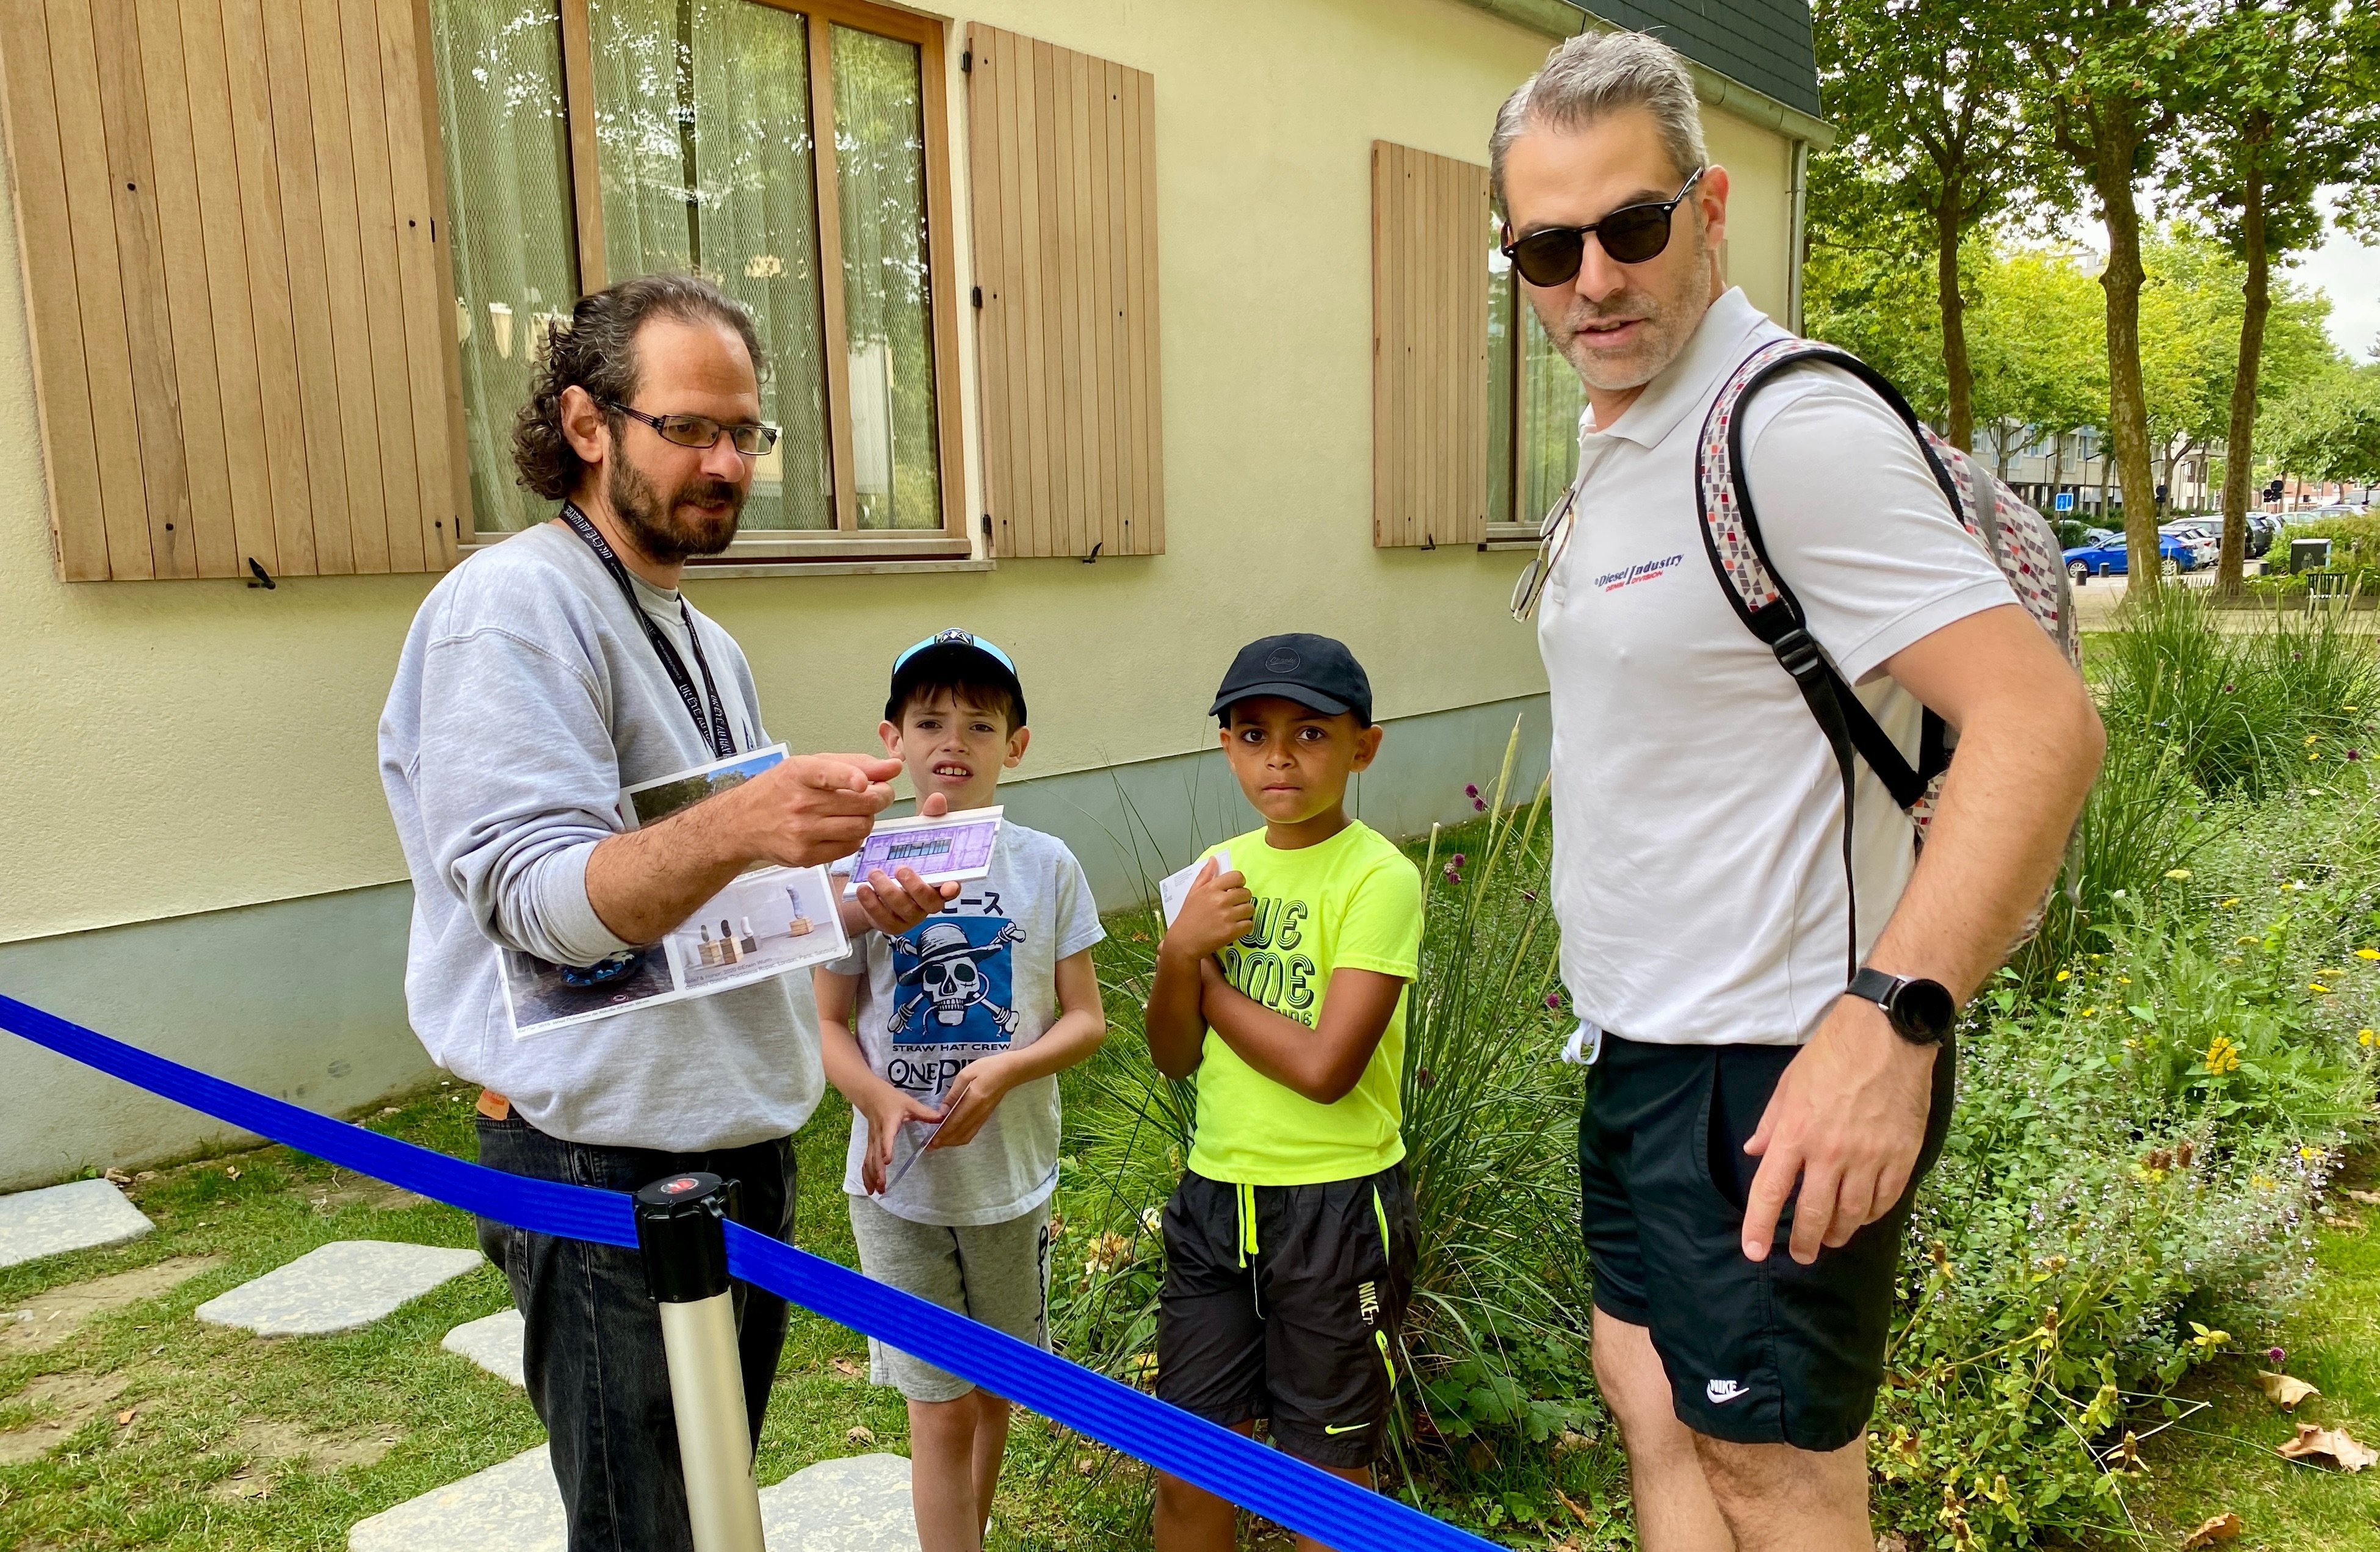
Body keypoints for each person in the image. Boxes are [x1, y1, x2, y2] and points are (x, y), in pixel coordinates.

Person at [1492, 32, 2106, 1552]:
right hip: (1647, 1042)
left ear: (1708, 212)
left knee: (1774, 1473)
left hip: (1780, 1058)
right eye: (1547, 248)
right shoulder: (1629, 432)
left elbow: (2040, 727)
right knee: (1646, 1392)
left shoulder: (1788, 428)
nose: (1594, 279)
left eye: (1631, 228)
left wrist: (1891, 1029)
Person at [378, 273, 954, 1552]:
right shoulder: (511, 610)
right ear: (588, 425)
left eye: (744, 433)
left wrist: (853, 898)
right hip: (607, 1172)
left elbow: (709, 908)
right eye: (688, 428)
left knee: (710, 1517)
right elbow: (538, 903)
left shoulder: (702, 634)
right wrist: (746, 822)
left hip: (731, 1151)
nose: (724, 463)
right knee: (650, 1536)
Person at [813, 629, 1109, 1552]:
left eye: (981, 723)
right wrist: (876, 1099)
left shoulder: (1048, 865)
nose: (954, 739)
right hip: (896, 1190)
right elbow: (826, 1025)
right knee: (936, 1410)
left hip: (1010, 1185)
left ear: (1015, 745)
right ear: (890, 737)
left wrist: (1011, 1065)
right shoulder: (861, 871)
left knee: (993, 1391)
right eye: (930, 718)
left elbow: (1085, 1019)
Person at [1143, 634, 1425, 1552]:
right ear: (1226, 745)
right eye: (1253, 733)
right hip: (1215, 1197)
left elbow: (1324, 1067)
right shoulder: (1214, 874)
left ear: (1362, 748)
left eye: (1309, 733)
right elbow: (1174, 1057)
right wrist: (1175, 955)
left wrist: (1208, 977)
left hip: (1339, 1210)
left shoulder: (1379, 876)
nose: (1278, 757)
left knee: (1325, 1478)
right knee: (1191, 1460)